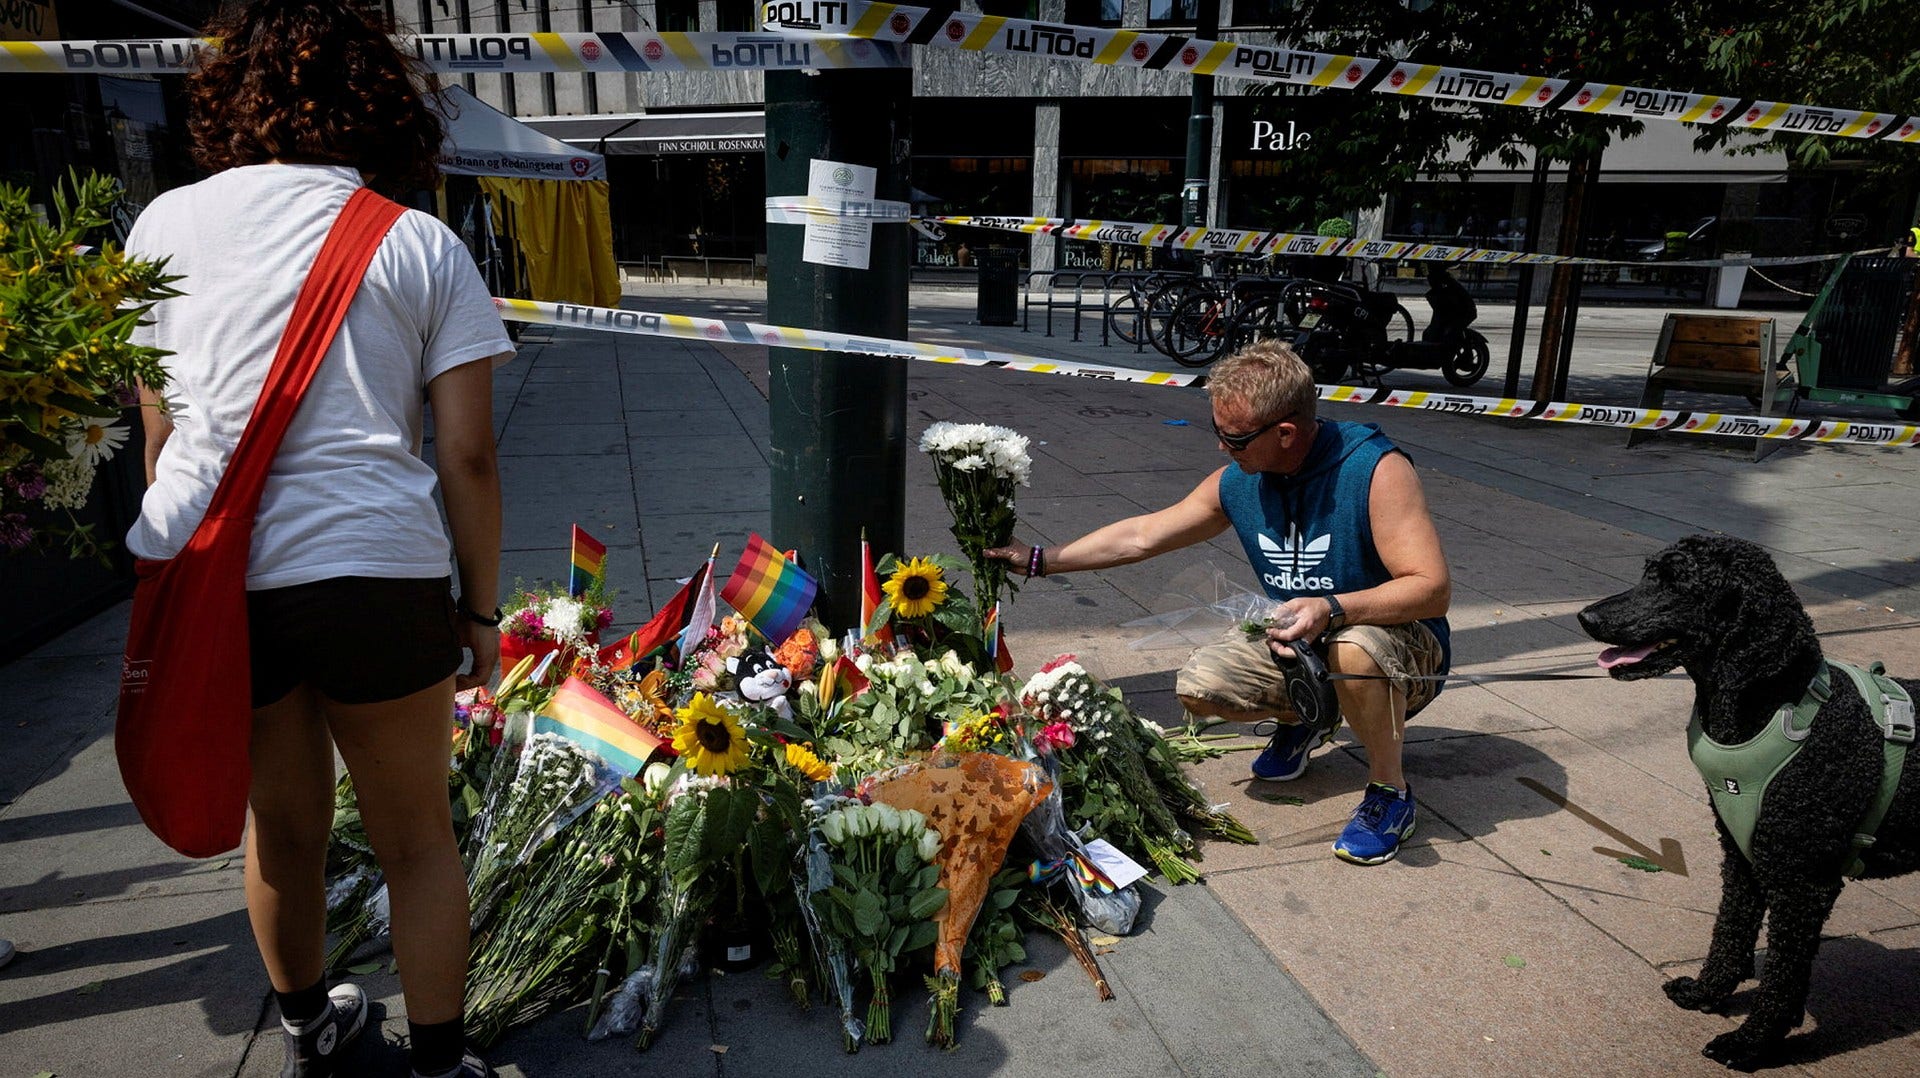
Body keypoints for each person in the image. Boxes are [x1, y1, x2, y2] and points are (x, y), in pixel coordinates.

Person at [124, 3, 510, 1075]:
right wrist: (479, 609)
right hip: (374, 570)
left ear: (228, 98)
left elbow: (158, 436)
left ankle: (309, 1032)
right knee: (416, 838)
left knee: (281, 830)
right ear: (378, 102)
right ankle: (439, 1064)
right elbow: (469, 456)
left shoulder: (158, 230)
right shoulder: (415, 241)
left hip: (222, 575)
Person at [986, 341, 1451, 865]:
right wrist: (1040, 560)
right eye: (1218, 433)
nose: (1223, 449)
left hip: (1398, 641)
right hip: (1301, 636)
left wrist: (1333, 606)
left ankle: (1390, 794)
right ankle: (1307, 718)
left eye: (1234, 439)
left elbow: (1431, 587)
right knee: (1202, 686)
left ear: (1286, 433)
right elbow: (1143, 535)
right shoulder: (1241, 480)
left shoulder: (1375, 470)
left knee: (1355, 649)